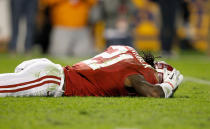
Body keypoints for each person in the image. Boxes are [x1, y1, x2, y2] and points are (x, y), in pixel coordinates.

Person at [0, 45, 183, 98]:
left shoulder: (125, 50)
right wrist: (169, 83)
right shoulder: (141, 73)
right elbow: (152, 93)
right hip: (50, 79)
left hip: (47, 68)